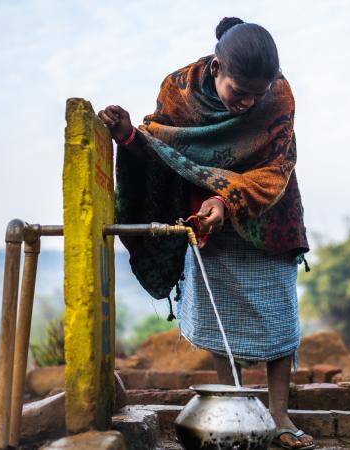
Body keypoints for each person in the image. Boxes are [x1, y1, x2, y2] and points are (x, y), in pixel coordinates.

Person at [99, 17, 313, 450]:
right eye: (240, 93)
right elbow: (164, 145)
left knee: (277, 310)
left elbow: (277, 166)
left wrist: (227, 201)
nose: (248, 104)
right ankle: (231, 405)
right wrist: (128, 136)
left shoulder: (278, 95)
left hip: (265, 212)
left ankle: (278, 413)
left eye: (257, 95)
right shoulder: (177, 90)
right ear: (216, 69)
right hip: (204, 214)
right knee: (220, 313)